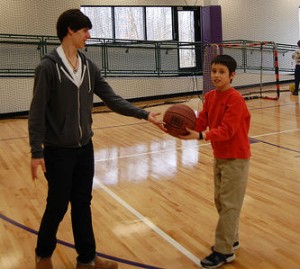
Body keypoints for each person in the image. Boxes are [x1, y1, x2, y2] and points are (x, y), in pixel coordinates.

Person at [28, 9, 165, 269]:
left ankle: (87, 258)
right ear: (70, 30)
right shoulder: (47, 67)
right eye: (85, 31)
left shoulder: (89, 67)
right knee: (57, 206)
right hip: (57, 151)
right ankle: (43, 255)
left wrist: (145, 114)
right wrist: (37, 151)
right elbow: (36, 113)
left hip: (84, 149)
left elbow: (112, 100)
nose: (88, 36)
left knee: (82, 203)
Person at [180, 54, 251, 268]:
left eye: (222, 72)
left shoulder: (235, 99)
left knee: (229, 205)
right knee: (220, 201)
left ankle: (223, 251)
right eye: (214, 71)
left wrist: (201, 136)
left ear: (232, 76)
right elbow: (202, 122)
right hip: (219, 156)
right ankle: (232, 238)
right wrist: (183, 127)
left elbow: (227, 131)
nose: (217, 75)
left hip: (236, 158)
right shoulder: (210, 97)